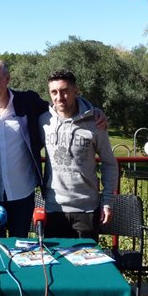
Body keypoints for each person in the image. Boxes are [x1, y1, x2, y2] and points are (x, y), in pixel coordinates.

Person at [0, 59, 107, 238]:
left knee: (20, 247)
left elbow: (61, 106)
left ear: (8, 78)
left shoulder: (27, 102)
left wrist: (92, 110)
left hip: (22, 193)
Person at [39, 69, 118, 240]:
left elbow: (109, 163)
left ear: (76, 91)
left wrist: (107, 202)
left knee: (86, 265)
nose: (59, 97)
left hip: (87, 210)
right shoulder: (44, 121)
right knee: (56, 263)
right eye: (54, 92)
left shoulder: (95, 122)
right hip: (54, 209)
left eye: (65, 91)